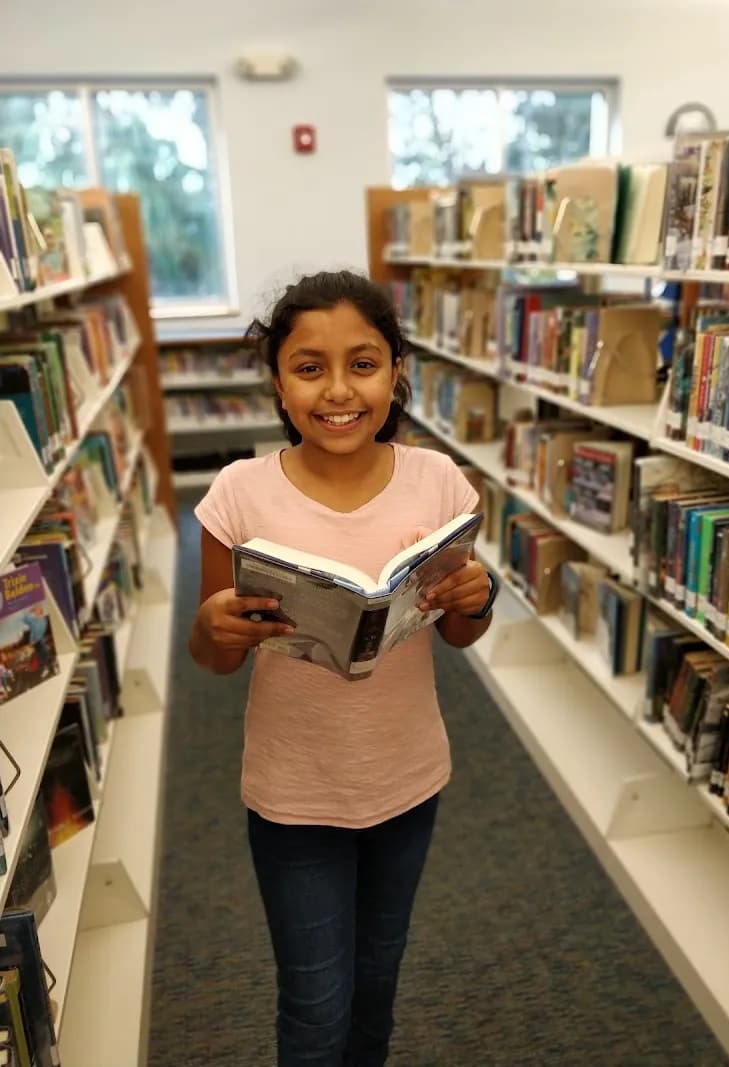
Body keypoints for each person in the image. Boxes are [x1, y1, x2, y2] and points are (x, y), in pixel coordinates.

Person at [189, 270, 497, 1067]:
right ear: (278, 383)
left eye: (362, 364)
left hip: (407, 780)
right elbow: (214, 658)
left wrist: (476, 595)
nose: (337, 390)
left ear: (397, 372)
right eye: (309, 367)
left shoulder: (440, 483)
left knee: (378, 983)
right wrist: (211, 625)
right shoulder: (238, 495)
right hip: (294, 793)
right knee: (314, 1005)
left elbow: (461, 635)